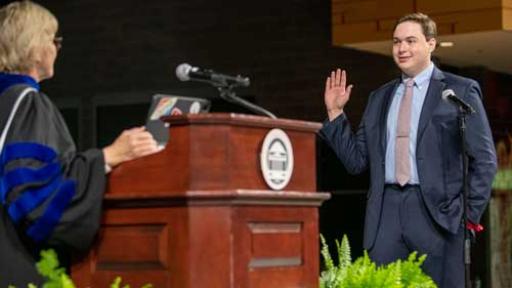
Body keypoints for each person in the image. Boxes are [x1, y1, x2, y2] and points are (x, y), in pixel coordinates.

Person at [320, 12, 497, 287]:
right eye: (396, 42)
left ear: (431, 44)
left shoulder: (458, 91)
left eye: (411, 41)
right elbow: (356, 161)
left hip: (438, 216)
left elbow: (485, 161)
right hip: (386, 215)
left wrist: (467, 216)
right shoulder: (379, 98)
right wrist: (335, 113)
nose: (402, 49)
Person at [0, 1, 161, 285]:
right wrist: (108, 157)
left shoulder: (7, 101)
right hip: (18, 266)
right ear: (36, 47)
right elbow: (36, 200)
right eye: (54, 40)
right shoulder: (27, 104)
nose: (57, 48)